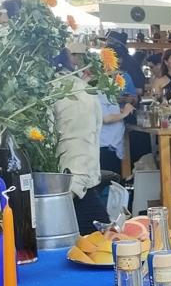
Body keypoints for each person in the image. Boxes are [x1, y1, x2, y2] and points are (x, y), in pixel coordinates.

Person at [52, 48, 109, 231]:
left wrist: (69, 193)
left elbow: (79, 152)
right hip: (55, 195)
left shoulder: (70, 90)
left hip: (70, 199)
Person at [96, 85, 134, 175]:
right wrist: (125, 113)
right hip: (105, 146)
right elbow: (106, 118)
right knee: (109, 182)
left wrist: (120, 111)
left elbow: (109, 112)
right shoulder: (98, 94)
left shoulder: (107, 93)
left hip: (113, 146)